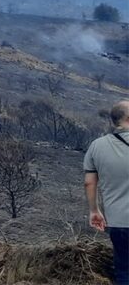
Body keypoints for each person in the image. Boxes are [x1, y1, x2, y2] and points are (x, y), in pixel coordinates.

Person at [85, 100, 129, 285]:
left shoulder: (97, 146)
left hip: (118, 223)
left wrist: (94, 210)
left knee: (124, 271)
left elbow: (89, 183)